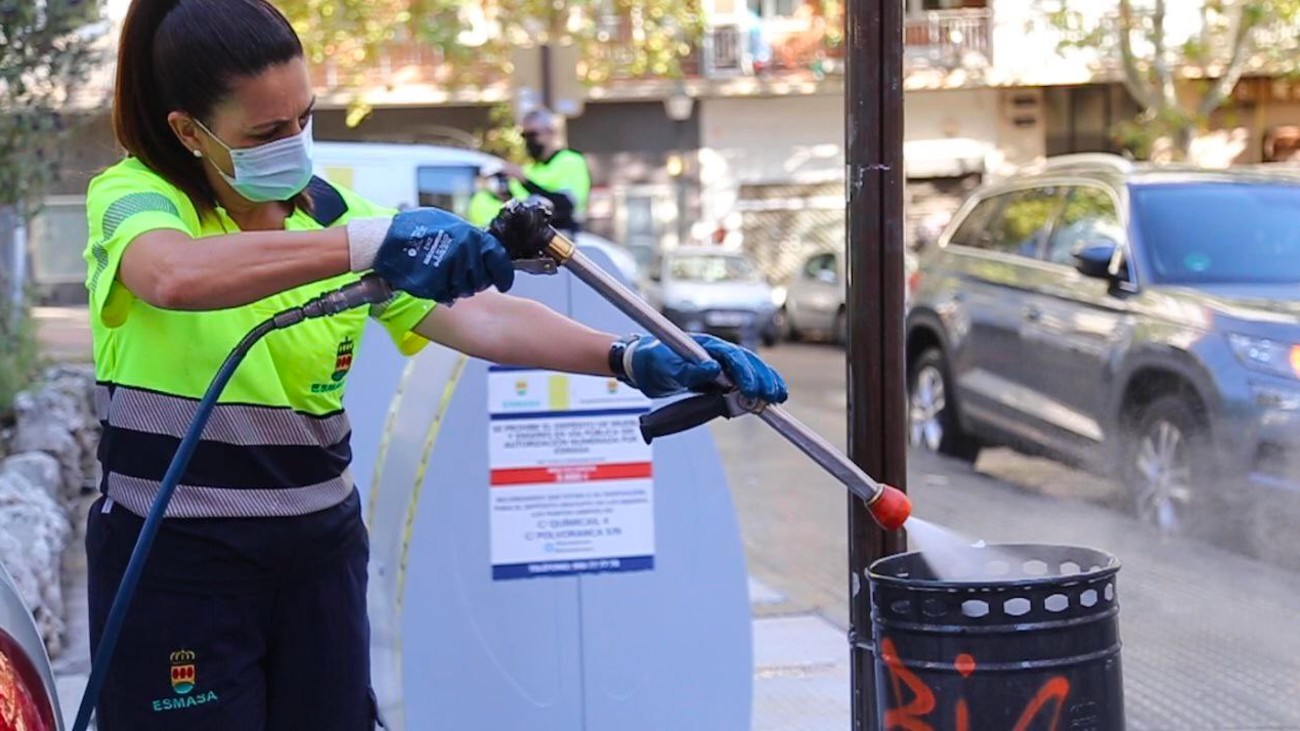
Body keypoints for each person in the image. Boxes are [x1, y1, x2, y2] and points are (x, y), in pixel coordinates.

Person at [83, 1, 788, 729]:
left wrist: (629, 355)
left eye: (304, 118)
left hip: (317, 556)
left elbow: (480, 314)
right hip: (177, 563)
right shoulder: (138, 198)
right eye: (266, 132)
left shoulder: (333, 212)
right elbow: (171, 274)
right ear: (188, 131)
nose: (294, 144)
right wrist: (367, 245)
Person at [500, 108, 591, 236]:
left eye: (533, 135)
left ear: (550, 132)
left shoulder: (571, 161)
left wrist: (525, 182)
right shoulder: (529, 169)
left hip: (563, 237)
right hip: (532, 239)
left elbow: (565, 205)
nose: (528, 141)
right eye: (524, 136)